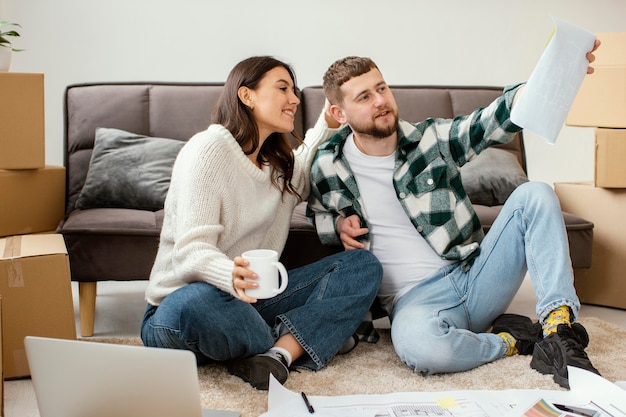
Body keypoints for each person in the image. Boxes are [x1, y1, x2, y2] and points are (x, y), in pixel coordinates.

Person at [307, 45, 601, 389]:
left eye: (382, 88)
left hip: (474, 275)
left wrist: (553, 74)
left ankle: (559, 330)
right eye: (364, 97)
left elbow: (491, 121)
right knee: (420, 349)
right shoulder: (327, 165)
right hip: (414, 302)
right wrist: (338, 225)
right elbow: (317, 215)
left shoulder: (430, 138)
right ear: (340, 114)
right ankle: (515, 342)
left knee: (535, 194)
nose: (380, 101)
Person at [141, 56, 382, 391]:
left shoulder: (276, 167)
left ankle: (278, 354)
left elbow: (304, 163)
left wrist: (327, 122)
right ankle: (303, 337)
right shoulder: (208, 149)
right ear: (247, 96)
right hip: (180, 312)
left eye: (294, 91)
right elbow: (190, 252)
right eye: (282, 88)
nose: (295, 99)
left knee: (362, 265)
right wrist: (229, 275)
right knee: (199, 302)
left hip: (250, 305)